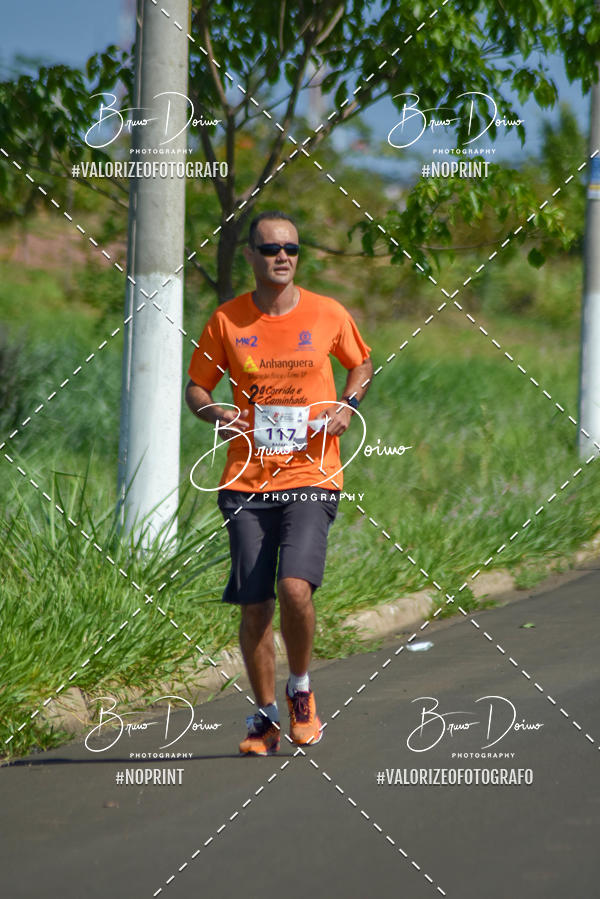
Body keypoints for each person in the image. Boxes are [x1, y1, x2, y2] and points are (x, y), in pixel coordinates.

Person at [185, 210, 373, 755]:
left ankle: (301, 690)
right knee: (255, 604)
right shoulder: (227, 320)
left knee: (294, 587)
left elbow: (361, 364)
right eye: (270, 249)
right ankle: (265, 718)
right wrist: (217, 414)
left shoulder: (327, 312)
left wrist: (347, 404)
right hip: (245, 482)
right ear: (251, 255)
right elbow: (197, 388)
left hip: (312, 474)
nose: (282, 257)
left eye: (291, 248)